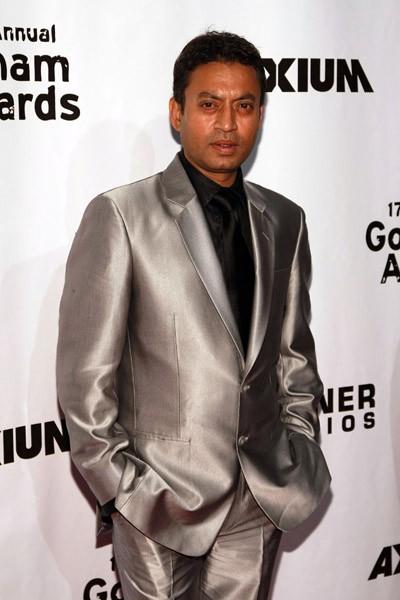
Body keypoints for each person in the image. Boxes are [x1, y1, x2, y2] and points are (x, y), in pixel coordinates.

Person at [56, 31, 331, 600]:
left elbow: (293, 357)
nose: (227, 123)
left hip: (259, 495)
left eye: (244, 105)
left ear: (260, 115)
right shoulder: (121, 216)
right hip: (157, 499)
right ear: (177, 113)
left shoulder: (286, 220)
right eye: (209, 104)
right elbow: (85, 380)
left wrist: (298, 447)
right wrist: (123, 488)